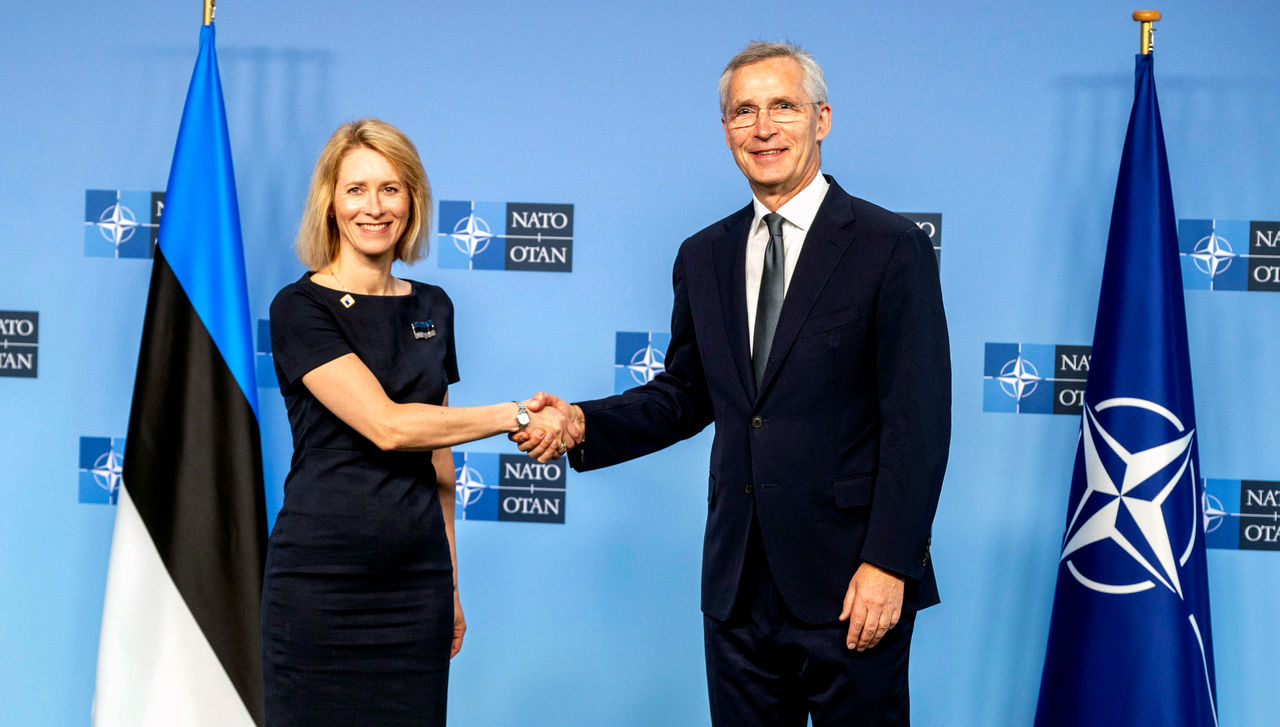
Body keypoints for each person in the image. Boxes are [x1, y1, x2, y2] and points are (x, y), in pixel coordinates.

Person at [518, 42, 950, 725]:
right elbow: (687, 393)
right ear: (726, 130)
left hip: (851, 582)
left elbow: (917, 423)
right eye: (744, 111)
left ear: (822, 119)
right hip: (737, 586)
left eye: (783, 106)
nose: (763, 127)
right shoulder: (703, 254)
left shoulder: (888, 245)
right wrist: (582, 421)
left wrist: (889, 564)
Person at [260, 118, 577, 726]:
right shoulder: (299, 307)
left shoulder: (434, 306)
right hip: (320, 583)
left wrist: (450, 581)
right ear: (330, 202)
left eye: (391, 188)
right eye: (356, 189)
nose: (374, 207)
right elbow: (389, 427)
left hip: (415, 585)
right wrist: (514, 414)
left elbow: (437, 453)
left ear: (412, 200)